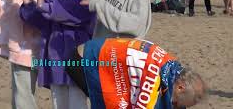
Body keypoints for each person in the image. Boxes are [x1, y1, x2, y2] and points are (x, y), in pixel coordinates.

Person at [20, 0, 95, 109]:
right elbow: (41, 21)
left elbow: (70, 13)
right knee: (57, 98)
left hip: (77, 51)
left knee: (77, 98)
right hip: (55, 54)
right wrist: (29, 5)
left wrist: (44, 5)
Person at [78, 37, 207, 109]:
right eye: (179, 103)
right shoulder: (153, 81)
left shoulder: (172, 67)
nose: (182, 107)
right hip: (88, 61)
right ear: (180, 87)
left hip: (103, 55)